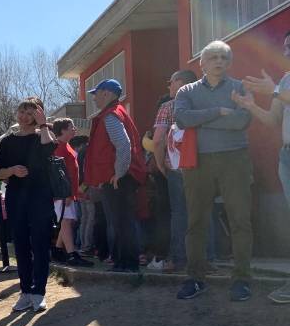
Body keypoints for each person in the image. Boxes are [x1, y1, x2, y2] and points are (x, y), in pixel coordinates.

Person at [174, 40, 254, 302]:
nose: (219, 61)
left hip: (235, 159)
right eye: (213, 57)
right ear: (202, 63)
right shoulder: (186, 90)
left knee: (240, 220)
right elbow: (183, 119)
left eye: (224, 57)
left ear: (229, 62)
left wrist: (204, 119)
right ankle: (196, 278)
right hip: (199, 163)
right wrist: (220, 112)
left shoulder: (239, 87)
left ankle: (242, 280)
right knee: (196, 221)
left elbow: (243, 121)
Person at [233, 29, 290, 304]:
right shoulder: (286, 81)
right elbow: (272, 120)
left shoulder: (282, 86)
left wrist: (276, 90)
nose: (288, 50)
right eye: (287, 46)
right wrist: (251, 106)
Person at [0, 98, 57, 312]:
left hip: (40, 197)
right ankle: (25, 291)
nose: (24, 116)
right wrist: (12, 170)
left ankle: (39, 292)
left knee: (40, 245)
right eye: (22, 111)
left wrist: (43, 124)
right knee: (20, 246)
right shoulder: (7, 142)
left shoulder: (43, 135)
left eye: (30, 113)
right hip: (16, 198)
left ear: (38, 115)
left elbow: (50, 149)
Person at [84, 79, 147, 273]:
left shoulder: (111, 115)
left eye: (96, 93)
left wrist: (118, 174)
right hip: (121, 176)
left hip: (120, 178)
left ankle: (128, 264)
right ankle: (123, 262)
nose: (94, 98)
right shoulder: (116, 113)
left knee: (122, 221)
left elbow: (123, 145)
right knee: (121, 221)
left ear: (107, 93)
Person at [152, 69, 199, 272]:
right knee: (203, 211)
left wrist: (161, 163)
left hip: (177, 166)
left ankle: (178, 259)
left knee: (179, 212)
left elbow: (157, 139)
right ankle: (210, 258)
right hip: (203, 164)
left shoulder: (168, 106)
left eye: (170, 82)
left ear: (179, 82)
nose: (169, 86)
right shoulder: (202, 103)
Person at [51, 118, 92, 267]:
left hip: (68, 192)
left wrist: (75, 192)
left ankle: (57, 251)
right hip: (63, 193)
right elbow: (59, 174)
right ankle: (71, 254)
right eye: (71, 127)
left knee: (66, 222)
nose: (74, 129)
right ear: (62, 130)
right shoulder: (58, 147)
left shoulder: (65, 146)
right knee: (66, 221)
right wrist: (67, 194)